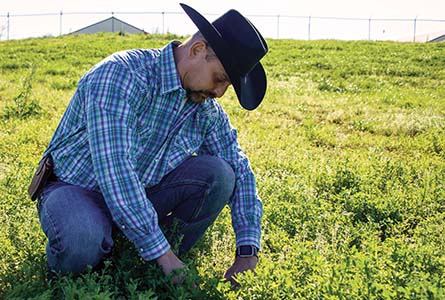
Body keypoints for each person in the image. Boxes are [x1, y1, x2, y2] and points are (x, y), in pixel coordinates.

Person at [31, 3, 268, 285]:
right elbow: (116, 172)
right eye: (220, 79)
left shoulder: (205, 110)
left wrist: (247, 252)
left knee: (221, 173)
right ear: (197, 50)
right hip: (77, 189)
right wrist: (164, 256)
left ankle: (143, 253)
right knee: (81, 237)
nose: (219, 92)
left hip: (143, 193)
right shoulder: (120, 76)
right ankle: (150, 255)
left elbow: (239, 167)